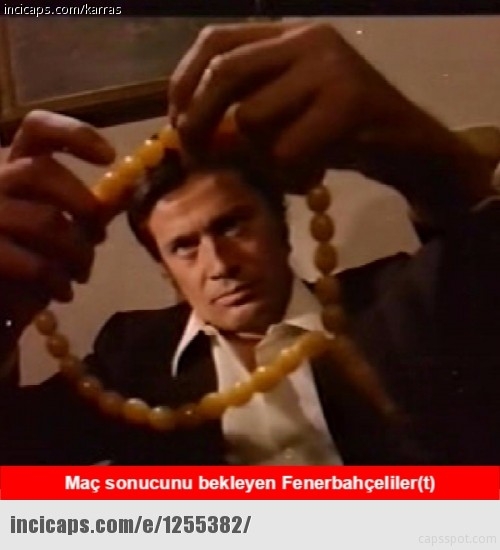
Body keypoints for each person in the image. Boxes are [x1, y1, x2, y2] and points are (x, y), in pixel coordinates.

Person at [0, 20, 499, 464]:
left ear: (280, 227)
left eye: (232, 226)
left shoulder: (392, 301)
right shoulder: (129, 358)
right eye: (184, 246)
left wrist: (439, 166)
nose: (220, 264)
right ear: (165, 270)